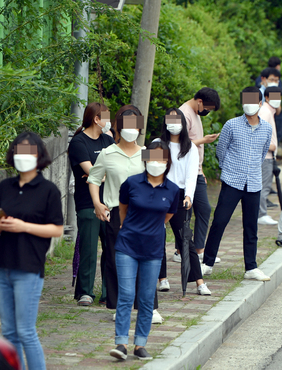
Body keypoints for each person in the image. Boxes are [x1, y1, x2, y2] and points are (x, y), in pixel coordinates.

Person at [0, 131, 64, 370]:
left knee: (25, 331)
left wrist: (23, 226)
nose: (23, 156)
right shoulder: (4, 186)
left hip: (29, 267)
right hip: (3, 266)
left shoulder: (48, 190)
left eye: (29, 151)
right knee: (8, 332)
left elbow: (57, 230)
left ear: (39, 155)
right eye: (18, 151)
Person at [87, 105, 162, 323]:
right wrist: (97, 203)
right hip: (116, 214)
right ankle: (122, 305)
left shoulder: (147, 153)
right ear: (119, 127)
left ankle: (149, 307)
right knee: (116, 260)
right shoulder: (107, 153)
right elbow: (93, 179)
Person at [108, 142, 179, 361]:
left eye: (161, 159)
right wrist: (130, 228)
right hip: (127, 245)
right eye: (152, 158)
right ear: (145, 159)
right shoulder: (131, 183)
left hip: (154, 249)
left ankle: (140, 344)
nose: (156, 163)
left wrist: (151, 228)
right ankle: (121, 343)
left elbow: (167, 216)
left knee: (147, 298)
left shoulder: (173, 190)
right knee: (127, 295)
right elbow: (123, 209)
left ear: (167, 163)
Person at [201, 87, 272, 280]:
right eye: (245, 100)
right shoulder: (231, 125)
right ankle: (207, 263)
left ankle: (251, 267)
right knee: (220, 221)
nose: (249, 104)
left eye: (253, 101)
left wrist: (251, 170)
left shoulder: (267, 128)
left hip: (254, 183)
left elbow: (263, 153)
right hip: (232, 180)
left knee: (251, 227)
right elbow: (221, 151)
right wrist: (230, 169)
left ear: (260, 103)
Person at [155, 109, 210, 295]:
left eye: (177, 120)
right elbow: (148, 170)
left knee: (185, 239)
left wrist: (188, 196)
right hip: (159, 193)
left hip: (180, 196)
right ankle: (162, 278)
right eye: (170, 119)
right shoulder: (156, 144)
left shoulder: (191, 148)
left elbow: (191, 176)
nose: (174, 124)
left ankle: (199, 282)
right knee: (157, 236)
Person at [69, 102, 115, 307]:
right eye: (107, 117)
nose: (110, 122)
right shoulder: (78, 142)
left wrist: (97, 175)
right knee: (88, 247)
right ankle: (85, 292)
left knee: (111, 246)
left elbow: (104, 172)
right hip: (88, 202)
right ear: (97, 119)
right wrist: (99, 174)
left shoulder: (108, 140)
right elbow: (92, 171)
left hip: (111, 201)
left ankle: (109, 291)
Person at [179, 88, 222, 266]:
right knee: (184, 214)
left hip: (197, 171)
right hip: (185, 172)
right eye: (208, 108)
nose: (207, 112)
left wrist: (201, 168)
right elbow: (179, 144)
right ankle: (181, 249)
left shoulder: (195, 113)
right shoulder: (183, 113)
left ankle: (198, 249)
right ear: (200, 102)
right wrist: (204, 140)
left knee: (204, 209)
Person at [258, 86, 282, 226]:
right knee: (264, 186)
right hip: (265, 156)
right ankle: (261, 214)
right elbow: (258, 135)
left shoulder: (269, 111)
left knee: (264, 185)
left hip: (268, 156)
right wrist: (271, 147)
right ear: (266, 98)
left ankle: (261, 213)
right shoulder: (265, 112)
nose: (277, 100)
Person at [256, 57, 282, 143]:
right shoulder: (258, 92)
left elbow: (278, 110)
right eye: (272, 80)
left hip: (274, 120)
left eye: (276, 80)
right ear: (264, 79)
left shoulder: (276, 91)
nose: (274, 82)